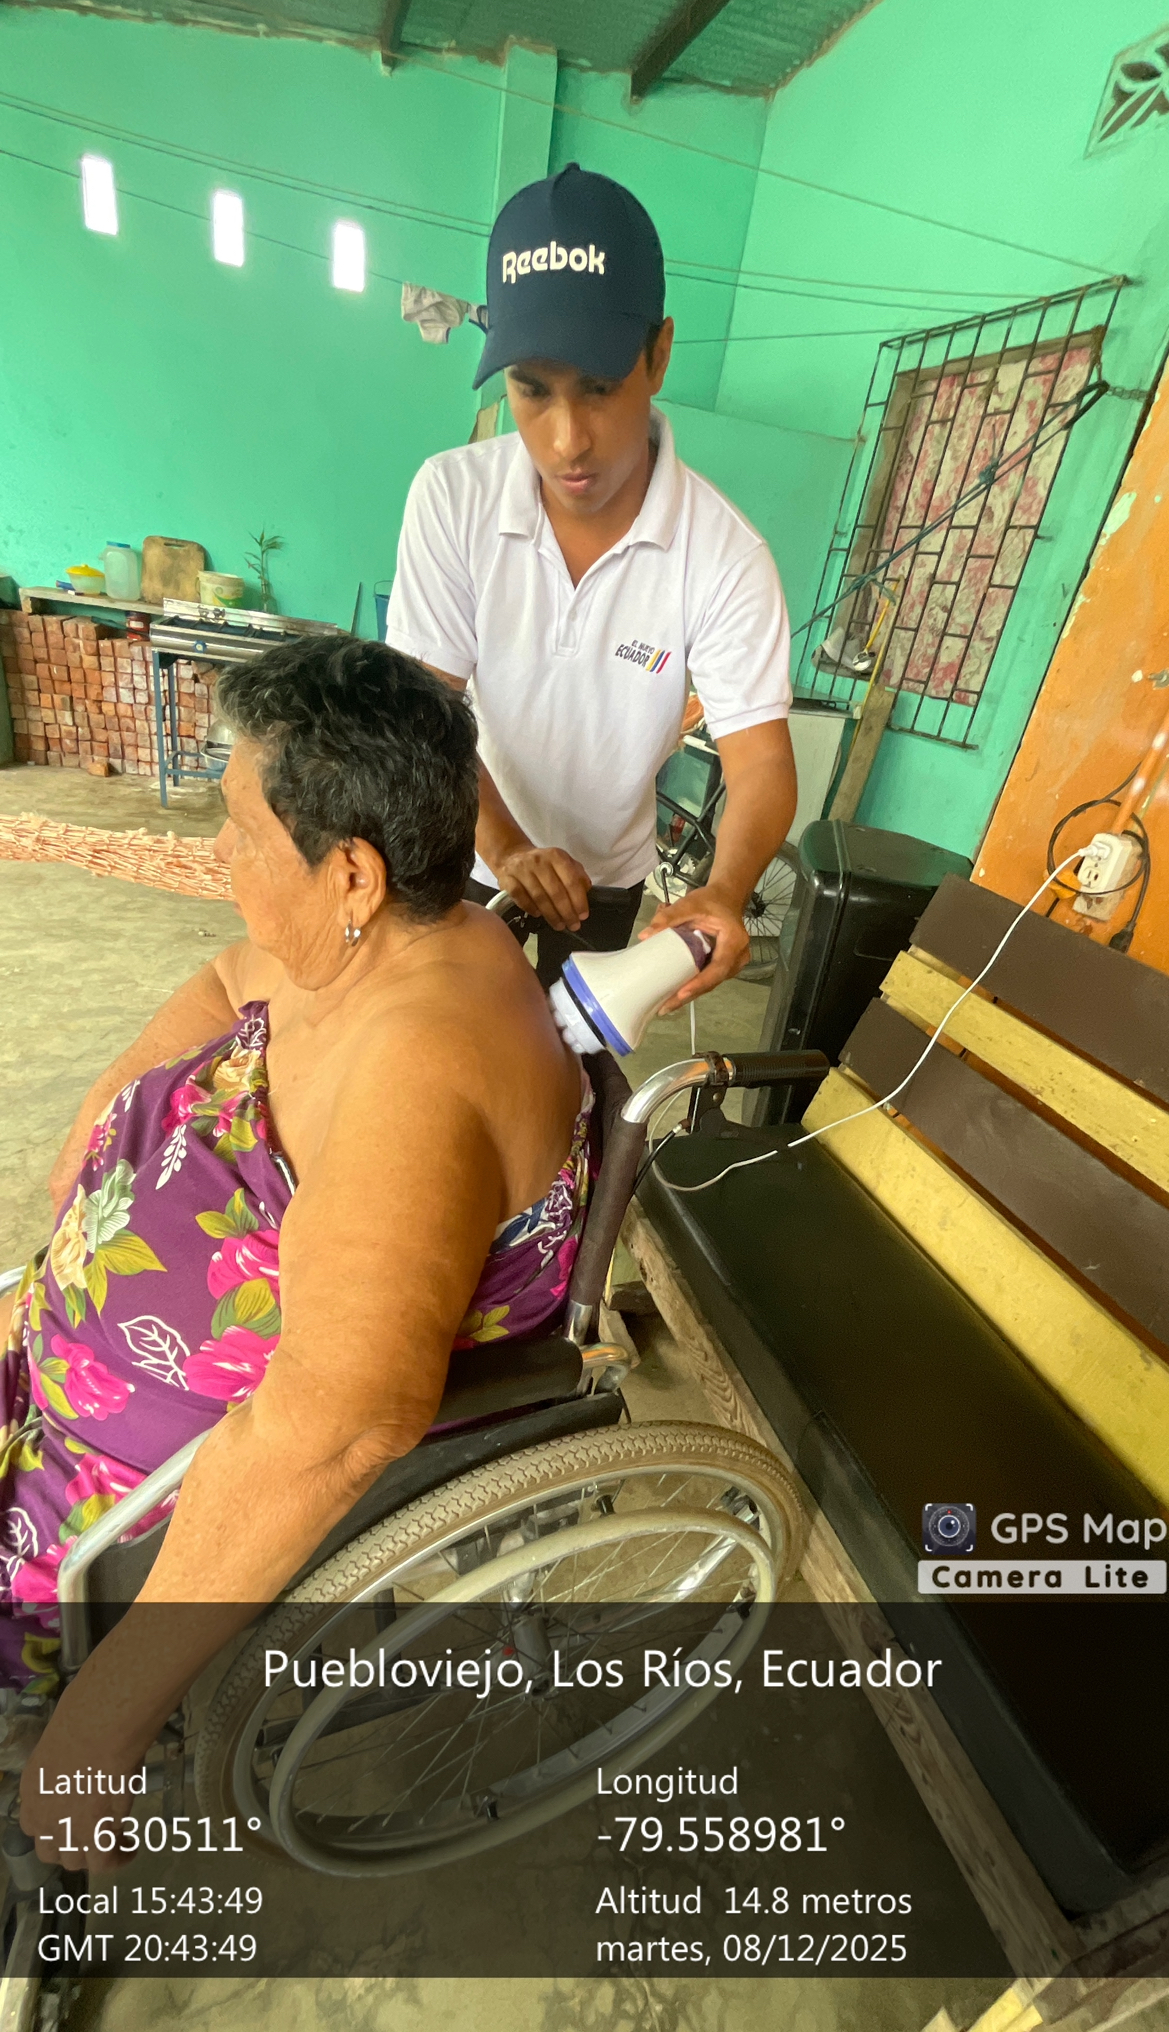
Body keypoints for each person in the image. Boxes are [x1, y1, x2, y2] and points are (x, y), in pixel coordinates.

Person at [0, 635, 591, 1849]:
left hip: (112, 1506)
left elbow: (340, 1425)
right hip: (55, 1386)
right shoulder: (400, 927)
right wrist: (98, 1138)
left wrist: (100, 1731)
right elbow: (232, 978)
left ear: (352, 872)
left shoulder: (419, 1073)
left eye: (240, 827)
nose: (219, 852)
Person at [386, 163, 798, 1002]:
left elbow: (760, 759)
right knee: (449, 1041)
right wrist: (505, 848)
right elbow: (424, 714)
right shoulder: (452, 498)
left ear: (659, 355)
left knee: (574, 1058)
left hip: (609, 881)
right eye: (532, 391)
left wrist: (723, 890)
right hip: (466, 850)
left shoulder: (725, 554)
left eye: (600, 389)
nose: (567, 440)